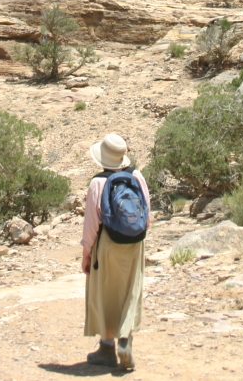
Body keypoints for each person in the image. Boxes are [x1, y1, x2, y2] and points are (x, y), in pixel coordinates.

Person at [81, 133, 150, 370]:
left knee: (105, 293)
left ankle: (107, 348)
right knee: (130, 291)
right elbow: (146, 214)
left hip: (107, 244)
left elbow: (91, 225)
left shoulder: (98, 182)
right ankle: (125, 341)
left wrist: (87, 254)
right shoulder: (137, 176)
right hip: (134, 243)